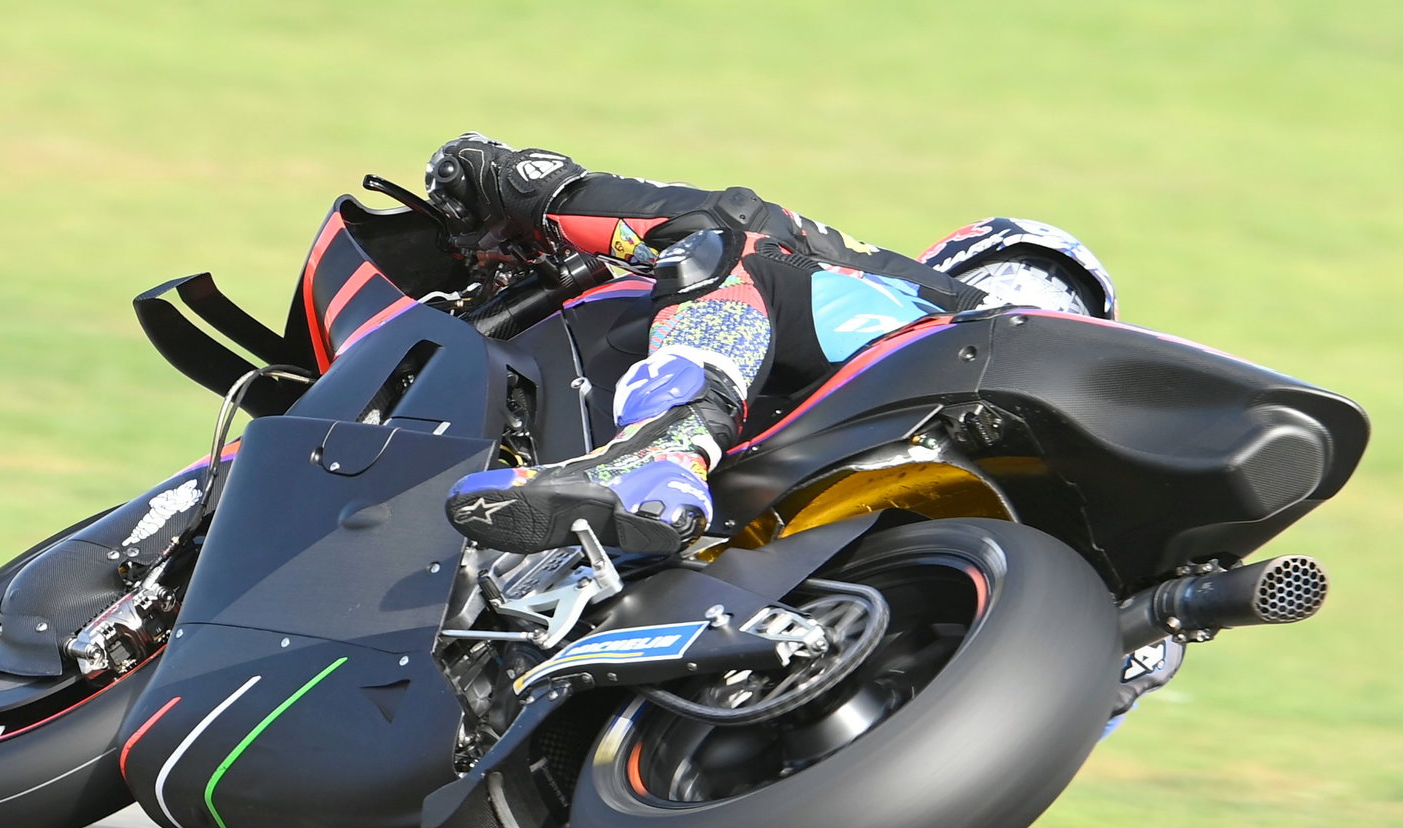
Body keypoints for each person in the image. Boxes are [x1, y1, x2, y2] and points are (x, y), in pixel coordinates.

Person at [428, 133, 1112, 556]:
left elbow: (732, 218)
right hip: (1029, 578)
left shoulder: (926, 301)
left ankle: (664, 448)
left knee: (732, 250)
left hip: (923, 406)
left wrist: (534, 187)